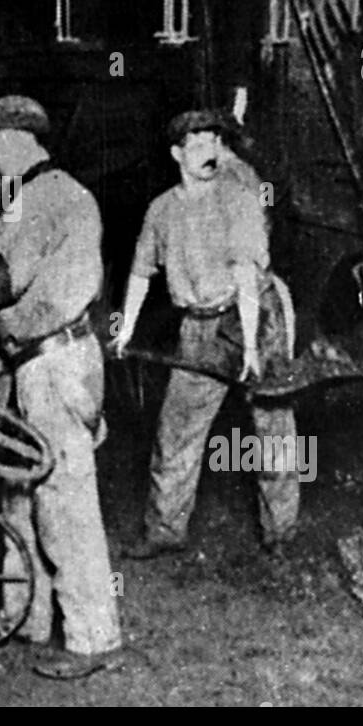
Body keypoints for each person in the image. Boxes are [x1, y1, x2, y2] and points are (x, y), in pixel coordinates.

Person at [0, 95, 123, 679]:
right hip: (54, 358)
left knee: (65, 501)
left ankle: (94, 636)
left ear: (16, 143)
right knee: (29, 490)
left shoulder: (39, 199)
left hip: (53, 363)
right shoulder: (58, 193)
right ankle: (31, 616)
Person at [111, 109, 299, 558]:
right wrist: (126, 328)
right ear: (177, 154)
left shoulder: (237, 199)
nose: (208, 153)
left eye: (213, 143)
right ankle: (165, 530)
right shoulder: (161, 210)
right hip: (197, 326)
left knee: (271, 426)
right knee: (176, 433)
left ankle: (281, 532)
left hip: (251, 314)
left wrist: (251, 347)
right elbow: (140, 272)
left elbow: (245, 275)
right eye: (196, 145)